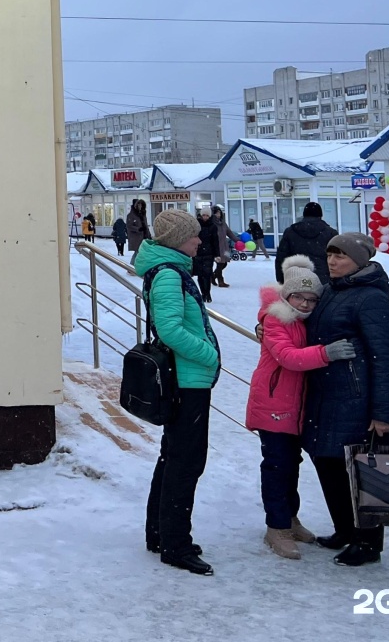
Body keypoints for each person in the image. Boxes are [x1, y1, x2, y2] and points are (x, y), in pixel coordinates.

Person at [245, 254, 356, 558]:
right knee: (277, 466)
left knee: (290, 465)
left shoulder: (304, 321)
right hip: (273, 405)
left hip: (296, 408)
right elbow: (288, 357)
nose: (306, 304)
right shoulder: (276, 318)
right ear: (286, 295)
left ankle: (290, 519)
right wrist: (326, 353)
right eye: (299, 298)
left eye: (311, 299)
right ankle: (276, 527)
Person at [302, 232, 389, 566]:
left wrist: (384, 413)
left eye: (340, 255)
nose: (332, 261)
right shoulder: (330, 291)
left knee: (359, 472)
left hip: (355, 399)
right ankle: (345, 529)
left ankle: (369, 541)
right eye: (329, 254)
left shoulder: (372, 299)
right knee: (328, 464)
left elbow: (385, 359)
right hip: (324, 395)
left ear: (359, 260)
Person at [135, 208, 221, 575]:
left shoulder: (170, 270)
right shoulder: (170, 275)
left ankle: (161, 533)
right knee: (186, 462)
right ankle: (175, 544)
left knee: (173, 457)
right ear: (176, 241)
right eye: (193, 235)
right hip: (188, 380)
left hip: (185, 379)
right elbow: (169, 329)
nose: (199, 239)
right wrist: (209, 356)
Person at [277, 203, 338, 285]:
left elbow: (281, 258)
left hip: (296, 278)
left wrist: (281, 280)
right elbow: (337, 258)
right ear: (320, 216)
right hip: (323, 280)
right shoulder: (330, 233)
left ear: (304, 215)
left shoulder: (290, 232)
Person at [194, 207, 217, 303]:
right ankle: (203, 293)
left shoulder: (213, 226)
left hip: (209, 253)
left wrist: (217, 254)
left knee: (207, 274)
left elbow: (215, 241)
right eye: (204, 215)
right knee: (200, 275)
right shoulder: (196, 225)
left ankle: (207, 293)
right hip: (198, 252)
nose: (205, 217)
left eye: (207, 215)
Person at [212, 206, 234, 288]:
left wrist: (237, 240)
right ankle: (221, 281)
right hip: (217, 247)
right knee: (220, 264)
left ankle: (213, 276)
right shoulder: (212, 224)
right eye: (216, 213)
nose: (218, 214)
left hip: (225, 246)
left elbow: (230, 233)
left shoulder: (223, 223)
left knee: (225, 263)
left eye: (219, 213)